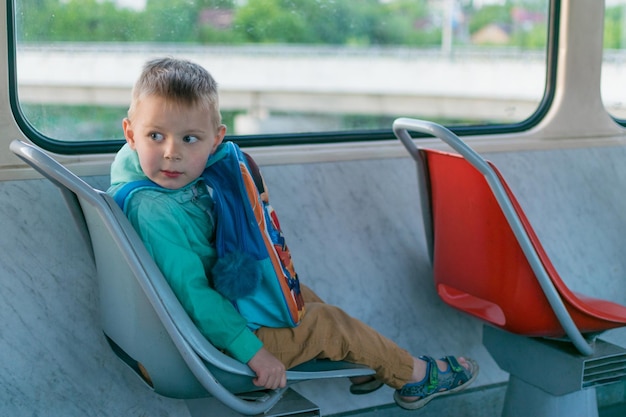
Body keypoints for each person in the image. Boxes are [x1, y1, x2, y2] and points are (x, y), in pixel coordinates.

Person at [107, 57, 478, 411]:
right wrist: (253, 352)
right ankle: (413, 376)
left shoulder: (149, 185)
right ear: (130, 133)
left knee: (301, 297)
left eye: (190, 139)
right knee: (325, 323)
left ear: (216, 140)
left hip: (204, 327)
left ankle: (372, 360)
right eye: (156, 136)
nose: (171, 153)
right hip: (209, 347)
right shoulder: (154, 208)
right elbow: (192, 294)